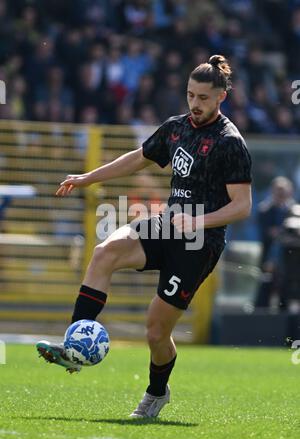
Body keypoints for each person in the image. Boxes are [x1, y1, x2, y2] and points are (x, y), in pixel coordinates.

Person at [37, 55, 252, 418]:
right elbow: (138, 158)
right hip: (167, 225)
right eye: (190, 95)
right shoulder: (176, 128)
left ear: (220, 98)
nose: (194, 104)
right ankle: (74, 347)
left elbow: (242, 206)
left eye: (202, 98)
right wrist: (87, 177)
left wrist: (199, 223)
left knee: (155, 332)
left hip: (199, 244)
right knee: (106, 251)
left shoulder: (230, 142)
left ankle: (156, 393)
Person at [255, 176, 295, 310]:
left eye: (283, 190)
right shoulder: (264, 210)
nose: (281, 194)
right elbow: (267, 233)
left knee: (286, 295)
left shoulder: (295, 211)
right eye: (278, 190)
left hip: (290, 261)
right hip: (270, 258)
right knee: (265, 290)